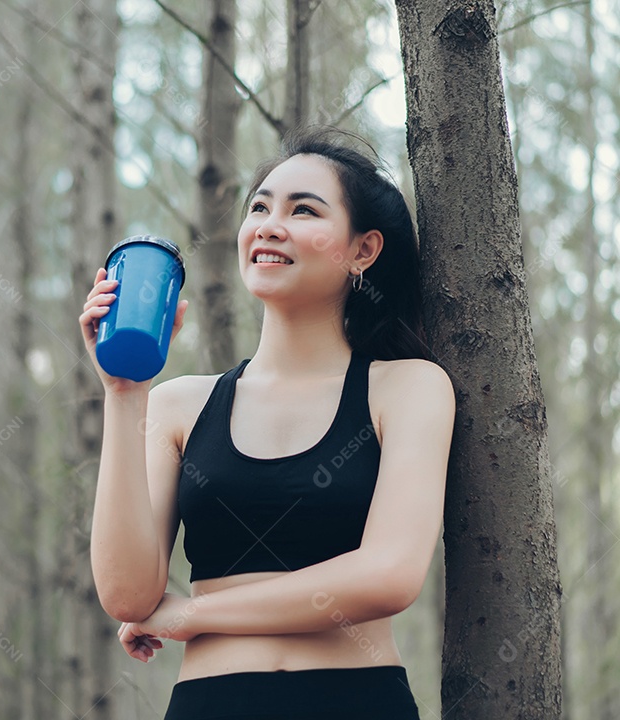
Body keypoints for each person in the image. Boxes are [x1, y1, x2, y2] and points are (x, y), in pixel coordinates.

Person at [77, 126, 456, 720]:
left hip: (359, 702)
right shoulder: (180, 405)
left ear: (363, 250)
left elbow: (388, 576)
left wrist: (192, 614)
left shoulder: (406, 387)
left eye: (304, 210)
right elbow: (127, 594)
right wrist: (125, 395)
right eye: (259, 207)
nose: (269, 225)